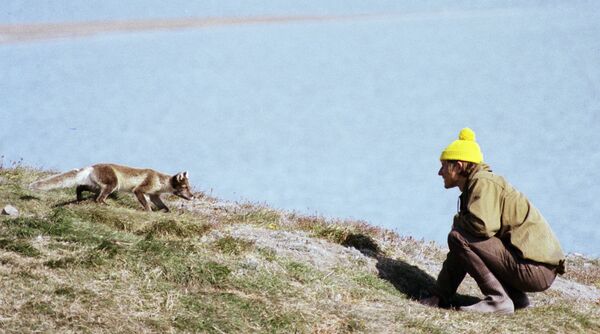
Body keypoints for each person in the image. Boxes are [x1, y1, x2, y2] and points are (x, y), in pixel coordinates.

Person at [420, 128, 565, 314]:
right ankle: (514, 298)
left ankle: (498, 300)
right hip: (535, 269)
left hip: (535, 270)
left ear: (458, 165)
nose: (440, 172)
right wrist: (439, 295)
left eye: (444, 165)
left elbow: (482, 227)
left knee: (459, 236)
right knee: (461, 237)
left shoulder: (483, 183)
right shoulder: (478, 185)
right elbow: (462, 250)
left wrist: (458, 222)